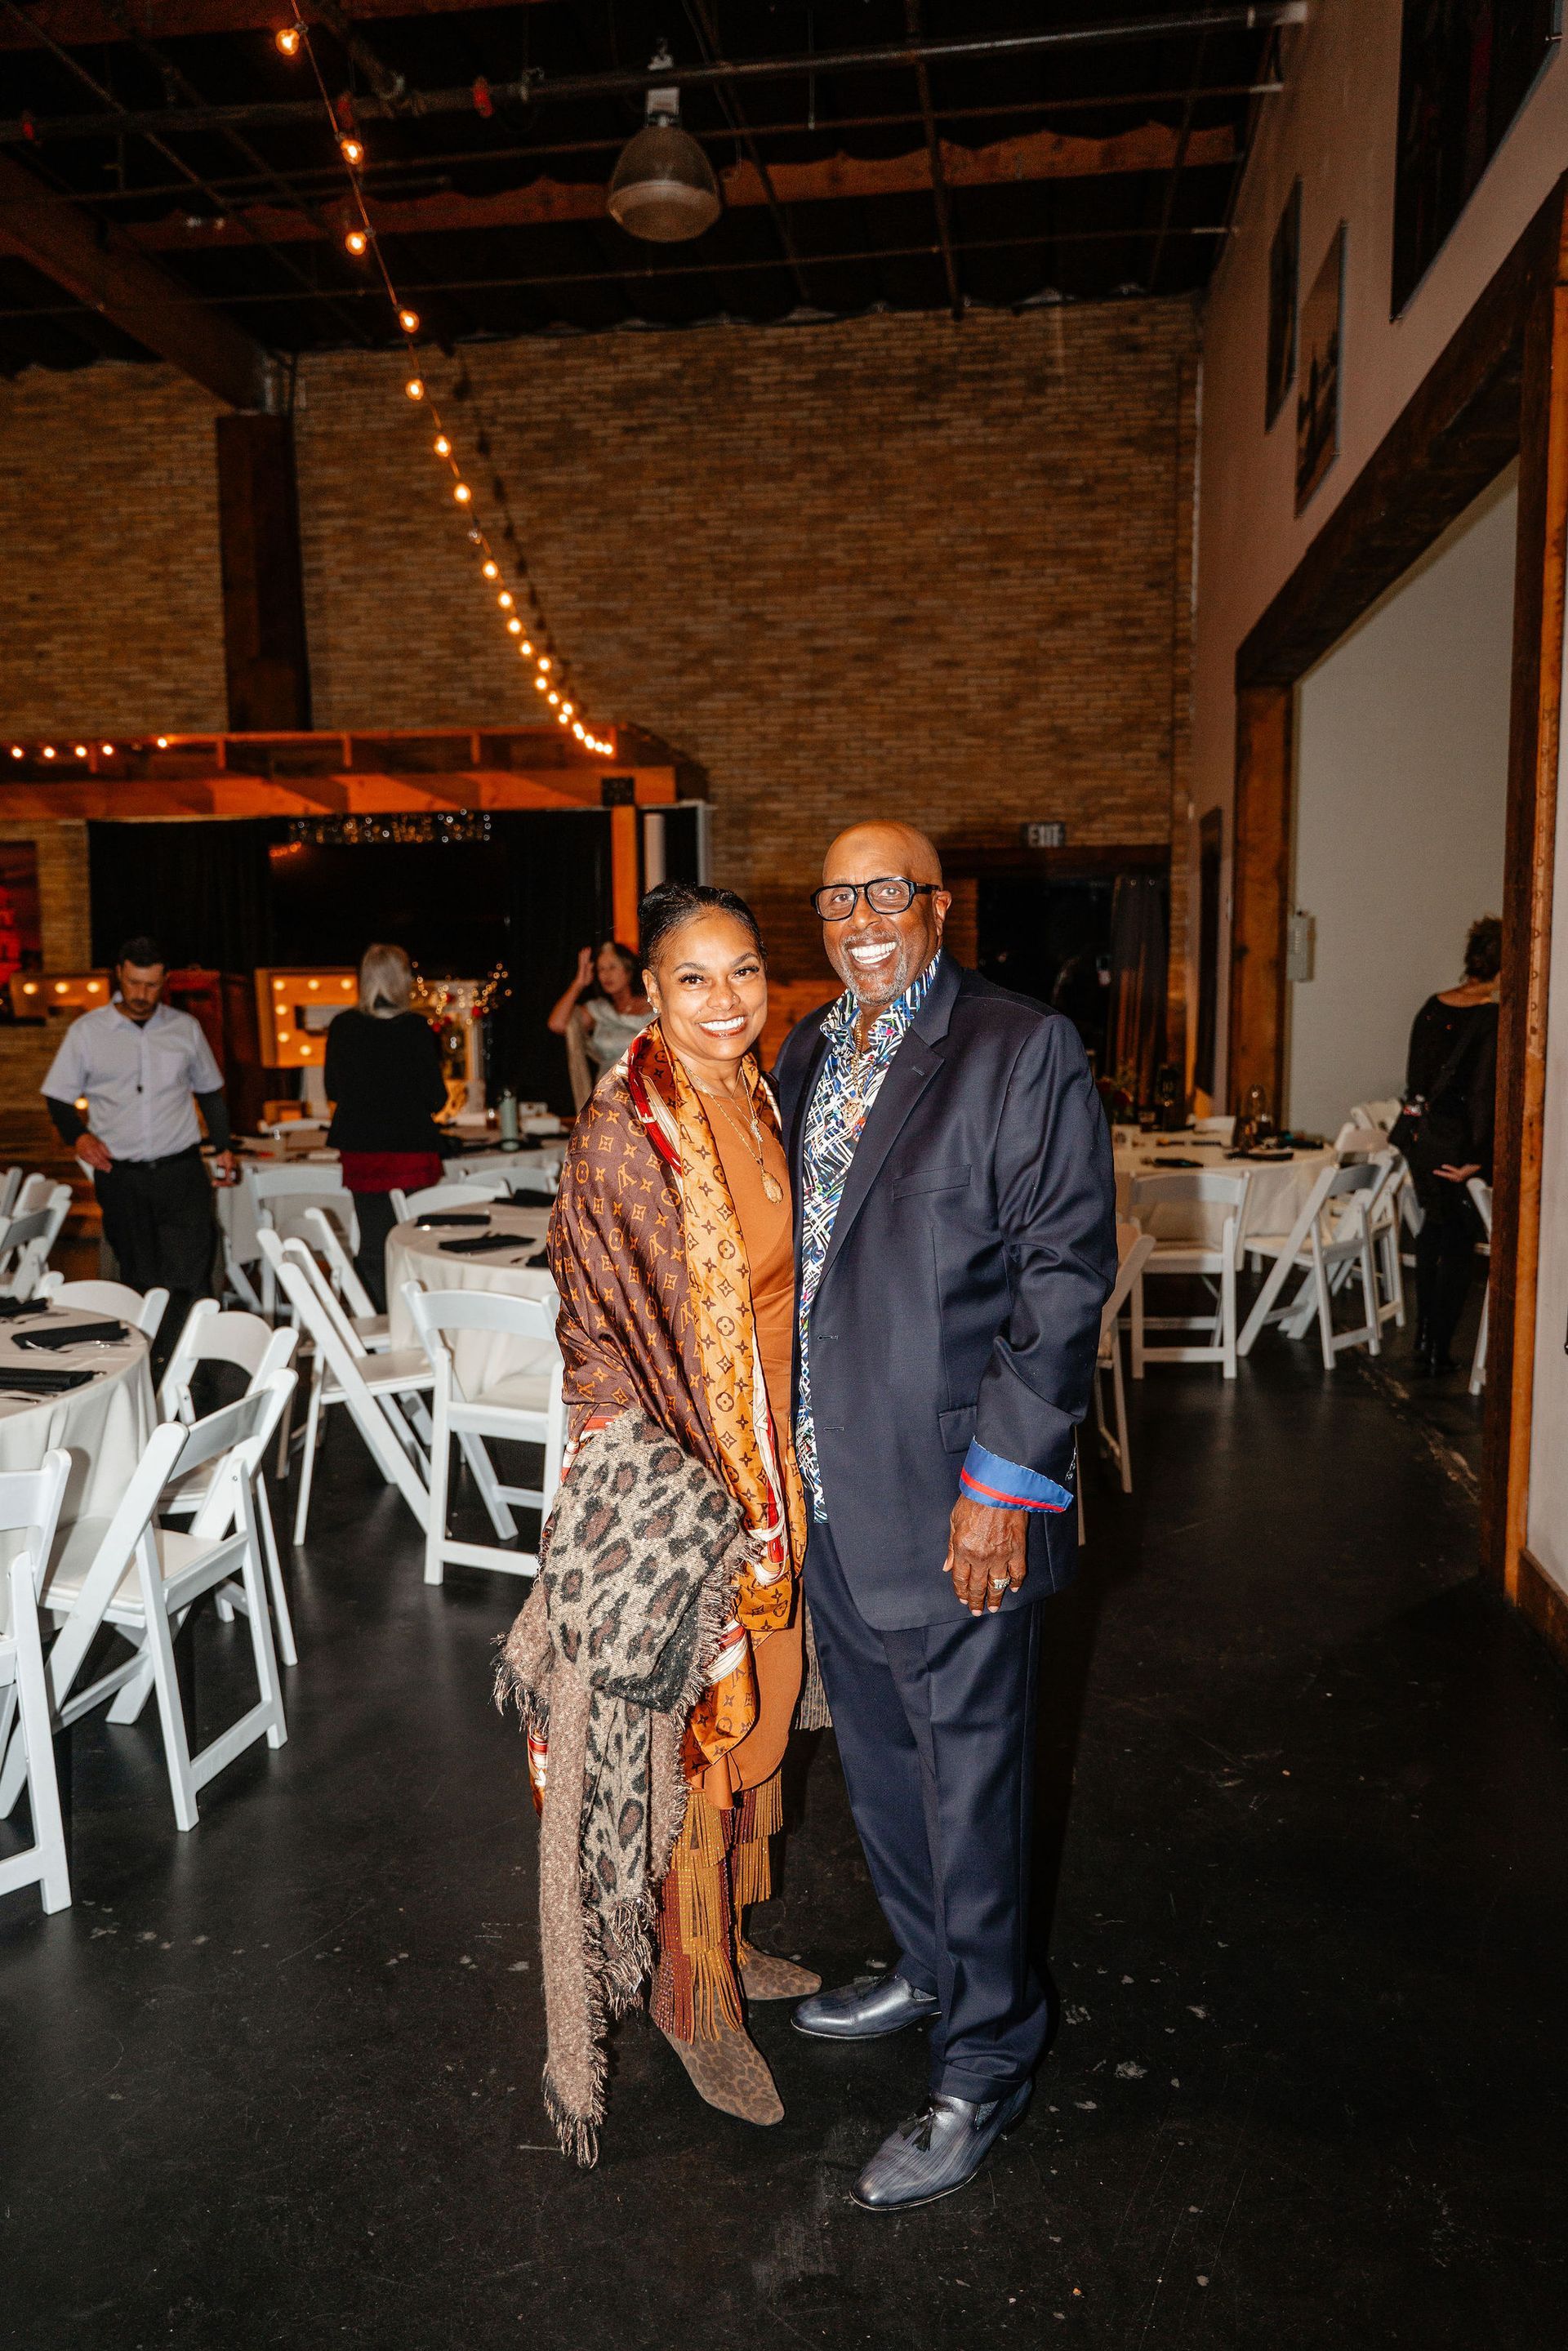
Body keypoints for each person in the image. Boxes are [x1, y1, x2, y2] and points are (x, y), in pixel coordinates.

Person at [773, 821, 1116, 2215]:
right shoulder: (805, 1050)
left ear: (936, 904)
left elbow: (1063, 1274)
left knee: (969, 1786)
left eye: (887, 889)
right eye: (838, 892)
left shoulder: (1015, 1047)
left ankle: (984, 2054)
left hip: (956, 1492)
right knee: (878, 1765)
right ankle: (925, 1967)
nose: (861, 913)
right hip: (828, 1490)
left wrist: (1005, 1486)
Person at [546, 880, 817, 2128]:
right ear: (644, 992)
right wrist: (684, 1484)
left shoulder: (753, 1092)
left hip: (775, 1455)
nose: (725, 1000)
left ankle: (729, 1934)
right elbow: (594, 1326)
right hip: (690, 1484)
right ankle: (691, 1995)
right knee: (700, 1742)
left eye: (745, 970)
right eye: (694, 978)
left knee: (760, 1724)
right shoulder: (624, 1127)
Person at [41, 935, 235, 1369]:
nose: (141, 995)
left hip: (181, 1170)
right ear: (119, 974)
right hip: (121, 1174)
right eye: (133, 984)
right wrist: (79, 1135)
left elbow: (210, 1092)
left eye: (151, 985)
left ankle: (192, 1371)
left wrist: (222, 1146)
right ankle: (146, 1372)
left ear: (164, 980)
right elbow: (57, 1097)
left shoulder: (184, 1028)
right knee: (139, 1278)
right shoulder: (87, 1032)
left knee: (190, 1276)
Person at [323, 944, 448, 1313]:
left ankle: (378, 1311)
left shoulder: (343, 1026)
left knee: (374, 1239)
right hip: (411, 1146)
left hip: (363, 1148)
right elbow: (435, 1098)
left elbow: (333, 1089)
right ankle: (420, 1313)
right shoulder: (415, 1028)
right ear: (402, 980)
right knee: (415, 1238)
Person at [1401, 914, 1500, 1378]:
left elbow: (1415, 1081)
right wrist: (1478, 1159)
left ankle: (1423, 1334)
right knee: (1457, 1243)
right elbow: (1482, 1094)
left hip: (1425, 1139)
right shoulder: (1491, 1016)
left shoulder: (1432, 1006)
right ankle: (1439, 1346)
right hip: (1459, 1144)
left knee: (1431, 1233)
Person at [546, 940, 651, 1105]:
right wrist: (578, 983)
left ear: (629, 970)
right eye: (601, 969)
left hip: (648, 1098)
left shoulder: (655, 1006)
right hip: (608, 1101)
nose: (606, 975)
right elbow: (557, 1024)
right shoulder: (600, 1011)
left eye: (612, 967)